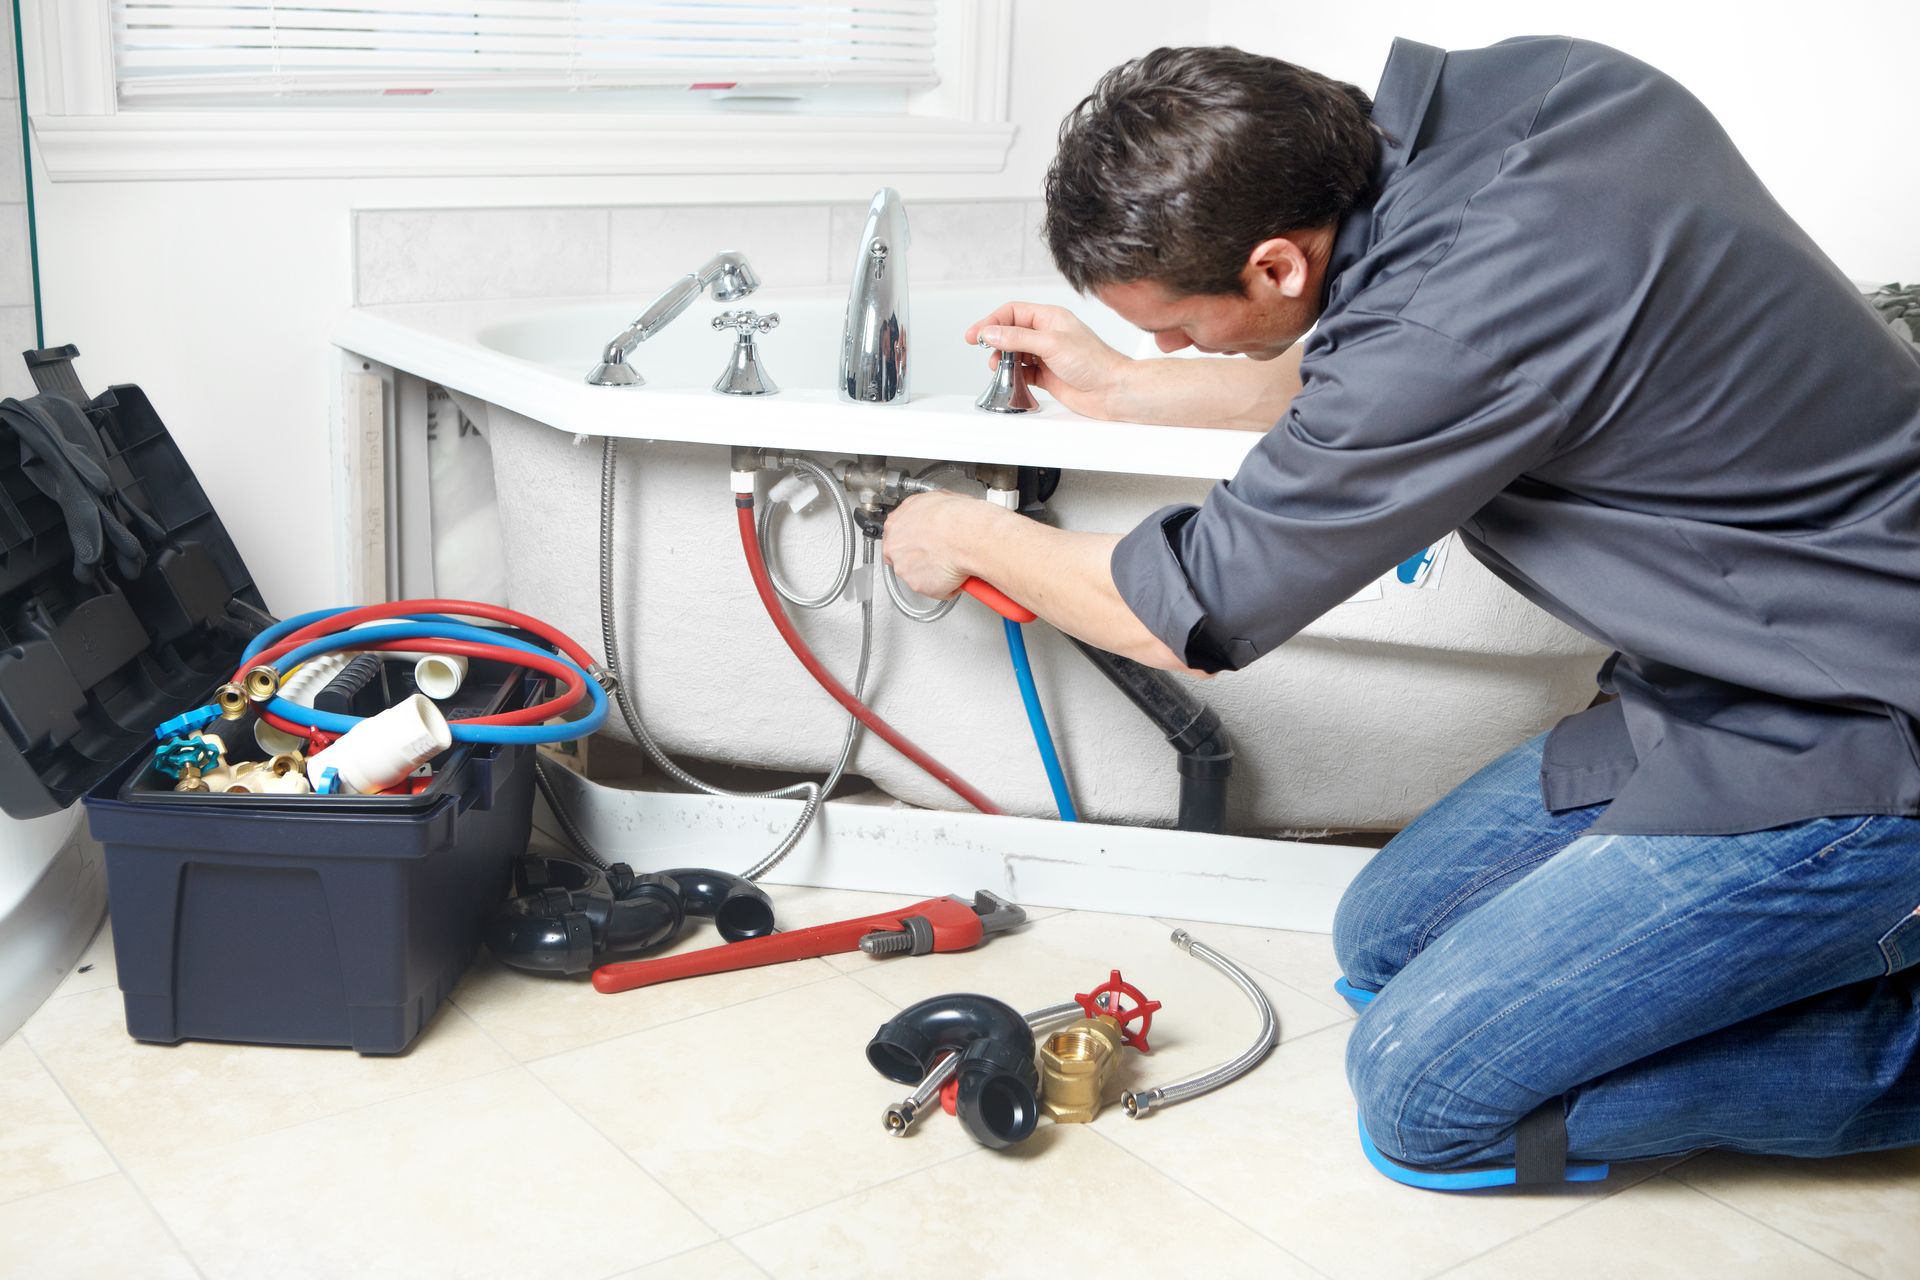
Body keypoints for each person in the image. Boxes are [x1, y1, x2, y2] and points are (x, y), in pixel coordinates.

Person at [882, 39, 1920, 1186]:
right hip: (1726, 676)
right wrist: (1127, 390)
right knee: (1382, 941)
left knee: (1428, 1102)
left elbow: (1189, 605)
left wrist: (961, 532)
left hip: (1868, 725)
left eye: (1172, 325)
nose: (1167, 345)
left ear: (1276, 263)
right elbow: (1385, 353)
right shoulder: (1538, 96)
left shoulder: (1454, 316)